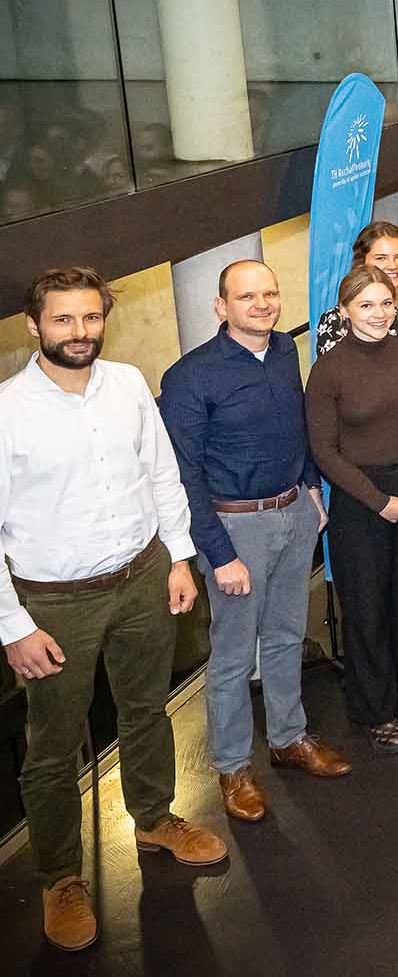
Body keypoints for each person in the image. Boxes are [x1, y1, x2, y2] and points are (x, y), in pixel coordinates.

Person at [3, 268, 225, 950]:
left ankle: (156, 819)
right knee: (52, 746)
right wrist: (12, 628)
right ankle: (60, 876)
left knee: (145, 710)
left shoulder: (127, 384)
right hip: (54, 603)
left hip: (142, 578)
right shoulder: (7, 409)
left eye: (91, 318)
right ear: (35, 326)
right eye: (64, 320)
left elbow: (160, 474)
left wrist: (180, 558)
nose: (80, 333)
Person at [159, 260, 350, 824]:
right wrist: (217, 554)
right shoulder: (190, 377)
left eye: (269, 293)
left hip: (293, 511)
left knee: (289, 634)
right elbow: (184, 474)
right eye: (247, 296)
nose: (262, 304)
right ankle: (233, 767)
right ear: (222, 307)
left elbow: (300, 429)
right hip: (235, 527)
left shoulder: (287, 352)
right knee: (234, 655)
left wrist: (311, 489)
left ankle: (290, 738)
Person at [306, 266, 398, 754]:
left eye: (385, 303)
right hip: (360, 500)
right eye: (366, 305)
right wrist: (379, 500)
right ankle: (377, 711)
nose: (378, 314)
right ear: (345, 310)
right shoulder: (328, 369)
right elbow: (324, 450)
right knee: (367, 609)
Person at [314, 221, 398, 356]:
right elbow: (331, 373)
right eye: (381, 258)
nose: (392, 265)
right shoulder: (337, 319)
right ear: (361, 263)